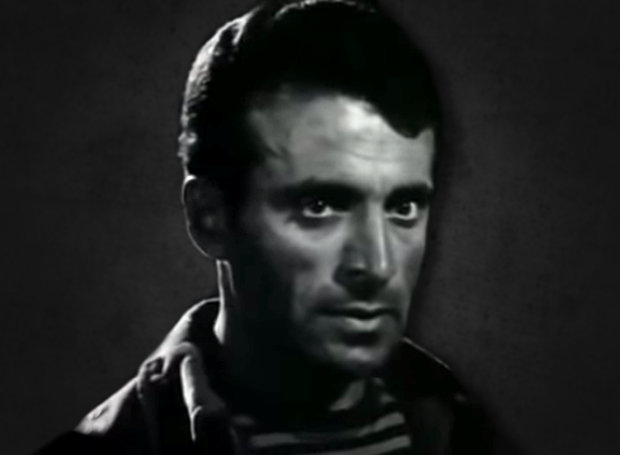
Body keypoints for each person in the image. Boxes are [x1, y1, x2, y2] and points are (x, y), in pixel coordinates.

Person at [36, 0, 512, 453]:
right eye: (320, 205)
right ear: (209, 218)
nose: (378, 265)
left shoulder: (461, 432)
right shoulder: (121, 446)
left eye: (403, 207)